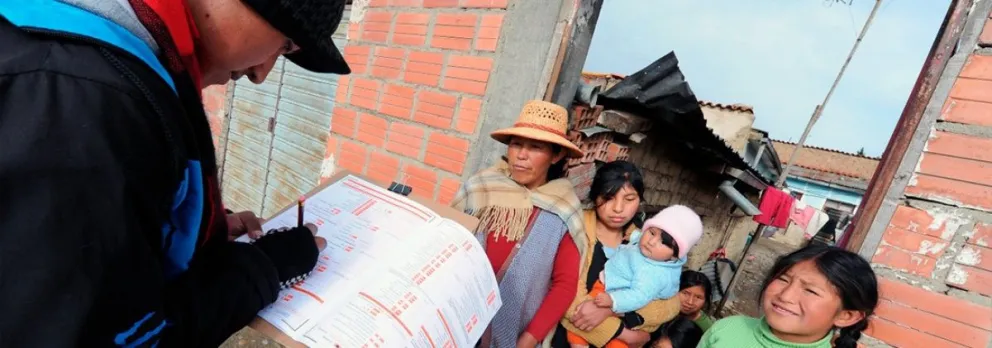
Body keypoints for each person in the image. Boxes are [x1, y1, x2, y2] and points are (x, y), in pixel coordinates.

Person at [0, 0, 347, 346]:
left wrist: (189, 231)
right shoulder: (88, 97)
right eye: (284, 44)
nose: (261, 73)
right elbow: (107, 335)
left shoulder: (91, 48)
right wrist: (262, 270)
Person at [451, 100, 586, 348]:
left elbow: (564, 285)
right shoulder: (481, 186)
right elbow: (449, 241)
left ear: (556, 155)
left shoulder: (563, 209)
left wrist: (529, 339)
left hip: (513, 332)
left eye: (535, 147)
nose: (521, 155)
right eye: (516, 144)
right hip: (457, 314)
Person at [554, 161, 684, 348]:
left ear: (640, 200)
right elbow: (565, 297)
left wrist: (613, 311)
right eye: (609, 197)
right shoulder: (574, 229)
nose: (618, 208)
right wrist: (621, 333)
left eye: (629, 199)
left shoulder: (646, 242)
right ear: (594, 196)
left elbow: (671, 304)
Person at [566, 206, 702, 348]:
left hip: (613, 294)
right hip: (617, 303)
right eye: (651, 232)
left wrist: (613, 302)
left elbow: (639, 296)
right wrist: (633, 236)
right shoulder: (650, 250)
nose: (652, 242)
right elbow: (638, 239)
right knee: (580, 329)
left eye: (664, 243)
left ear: (675, 255)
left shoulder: (652, 273)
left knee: (587, 328)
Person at [698, 245, 878, 348]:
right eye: (783, 279)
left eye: (811, 291)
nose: (786, 295)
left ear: (846, 316)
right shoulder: (728, 329)